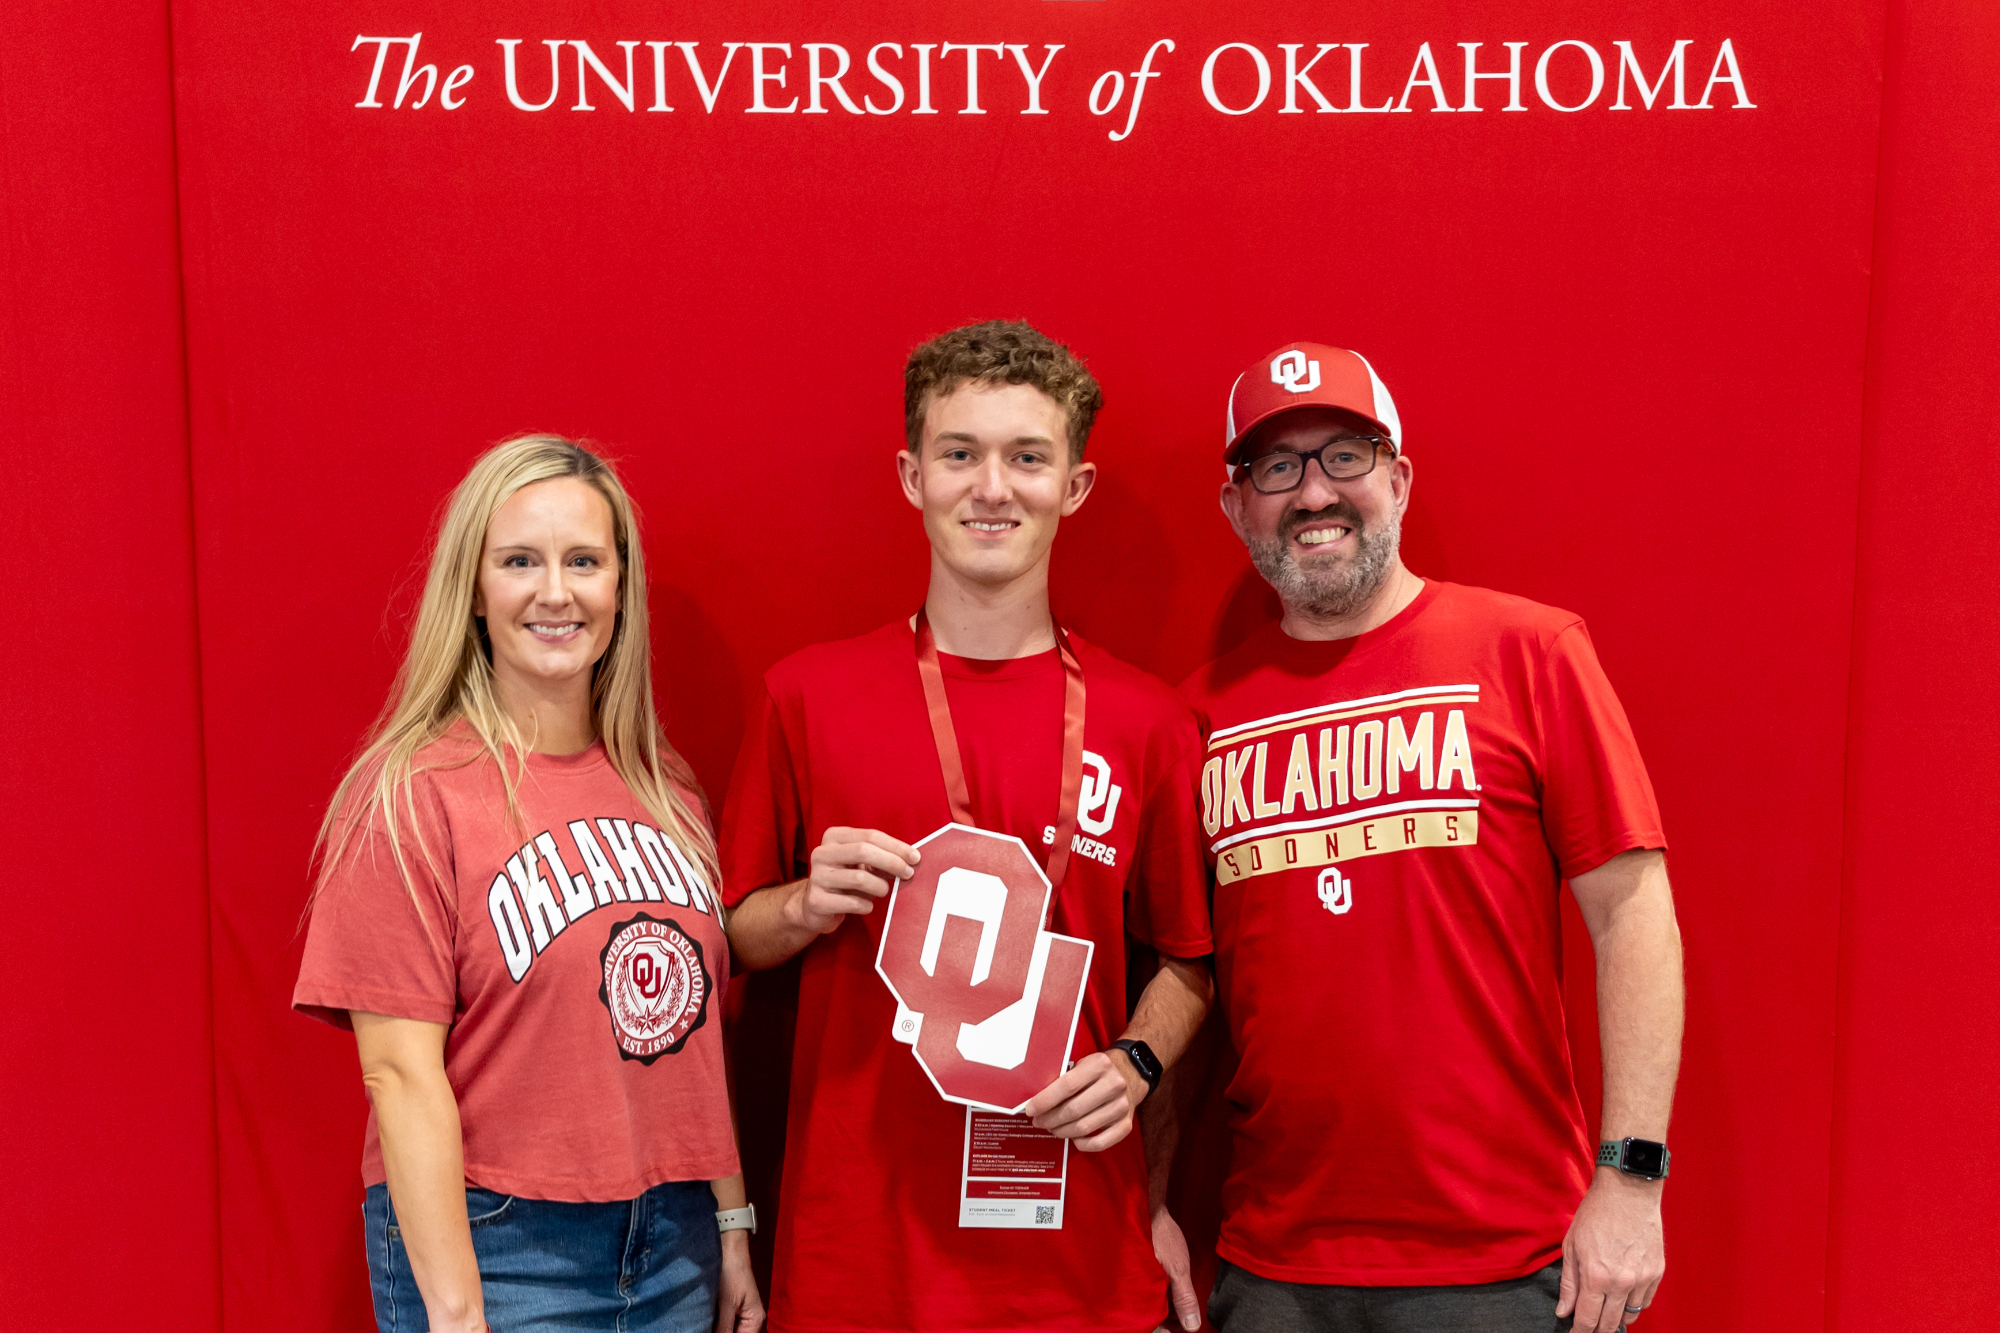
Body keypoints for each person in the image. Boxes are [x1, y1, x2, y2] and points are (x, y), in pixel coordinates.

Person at [720, 320, 1214, 1333]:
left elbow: (1187, 963)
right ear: (911, 476)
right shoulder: (804, 696)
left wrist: (1136, 1062)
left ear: (1071, 486)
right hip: (858, 1260)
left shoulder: (1148, 720)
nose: (991, 488)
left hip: (1075, 1264)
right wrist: (806, 904)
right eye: (960, 454)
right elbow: (733, 933)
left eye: (1026, 457)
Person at [1179, 344, 1684, 1333]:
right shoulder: (1196, 714)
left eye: (1344, 456)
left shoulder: (1528, 651)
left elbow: (1631, 915)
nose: (1312, 491)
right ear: (1236, 507)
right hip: (1272, 1260)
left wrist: (1631, 1180)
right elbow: (1182, 977)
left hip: (1503, 1258)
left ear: (1398, 480)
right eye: (1275, 468)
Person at [294, 435, 764, 1333]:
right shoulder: (409, 795)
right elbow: (398, 1074)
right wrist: (459, 1311)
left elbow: (694, 1038)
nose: (556, 591)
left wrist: (731, 1222)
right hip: (502, 1248)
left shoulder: (665, 785)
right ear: (473, 589)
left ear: (618, 586)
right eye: (520, 561)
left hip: (676, 1240)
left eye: (583, 560)